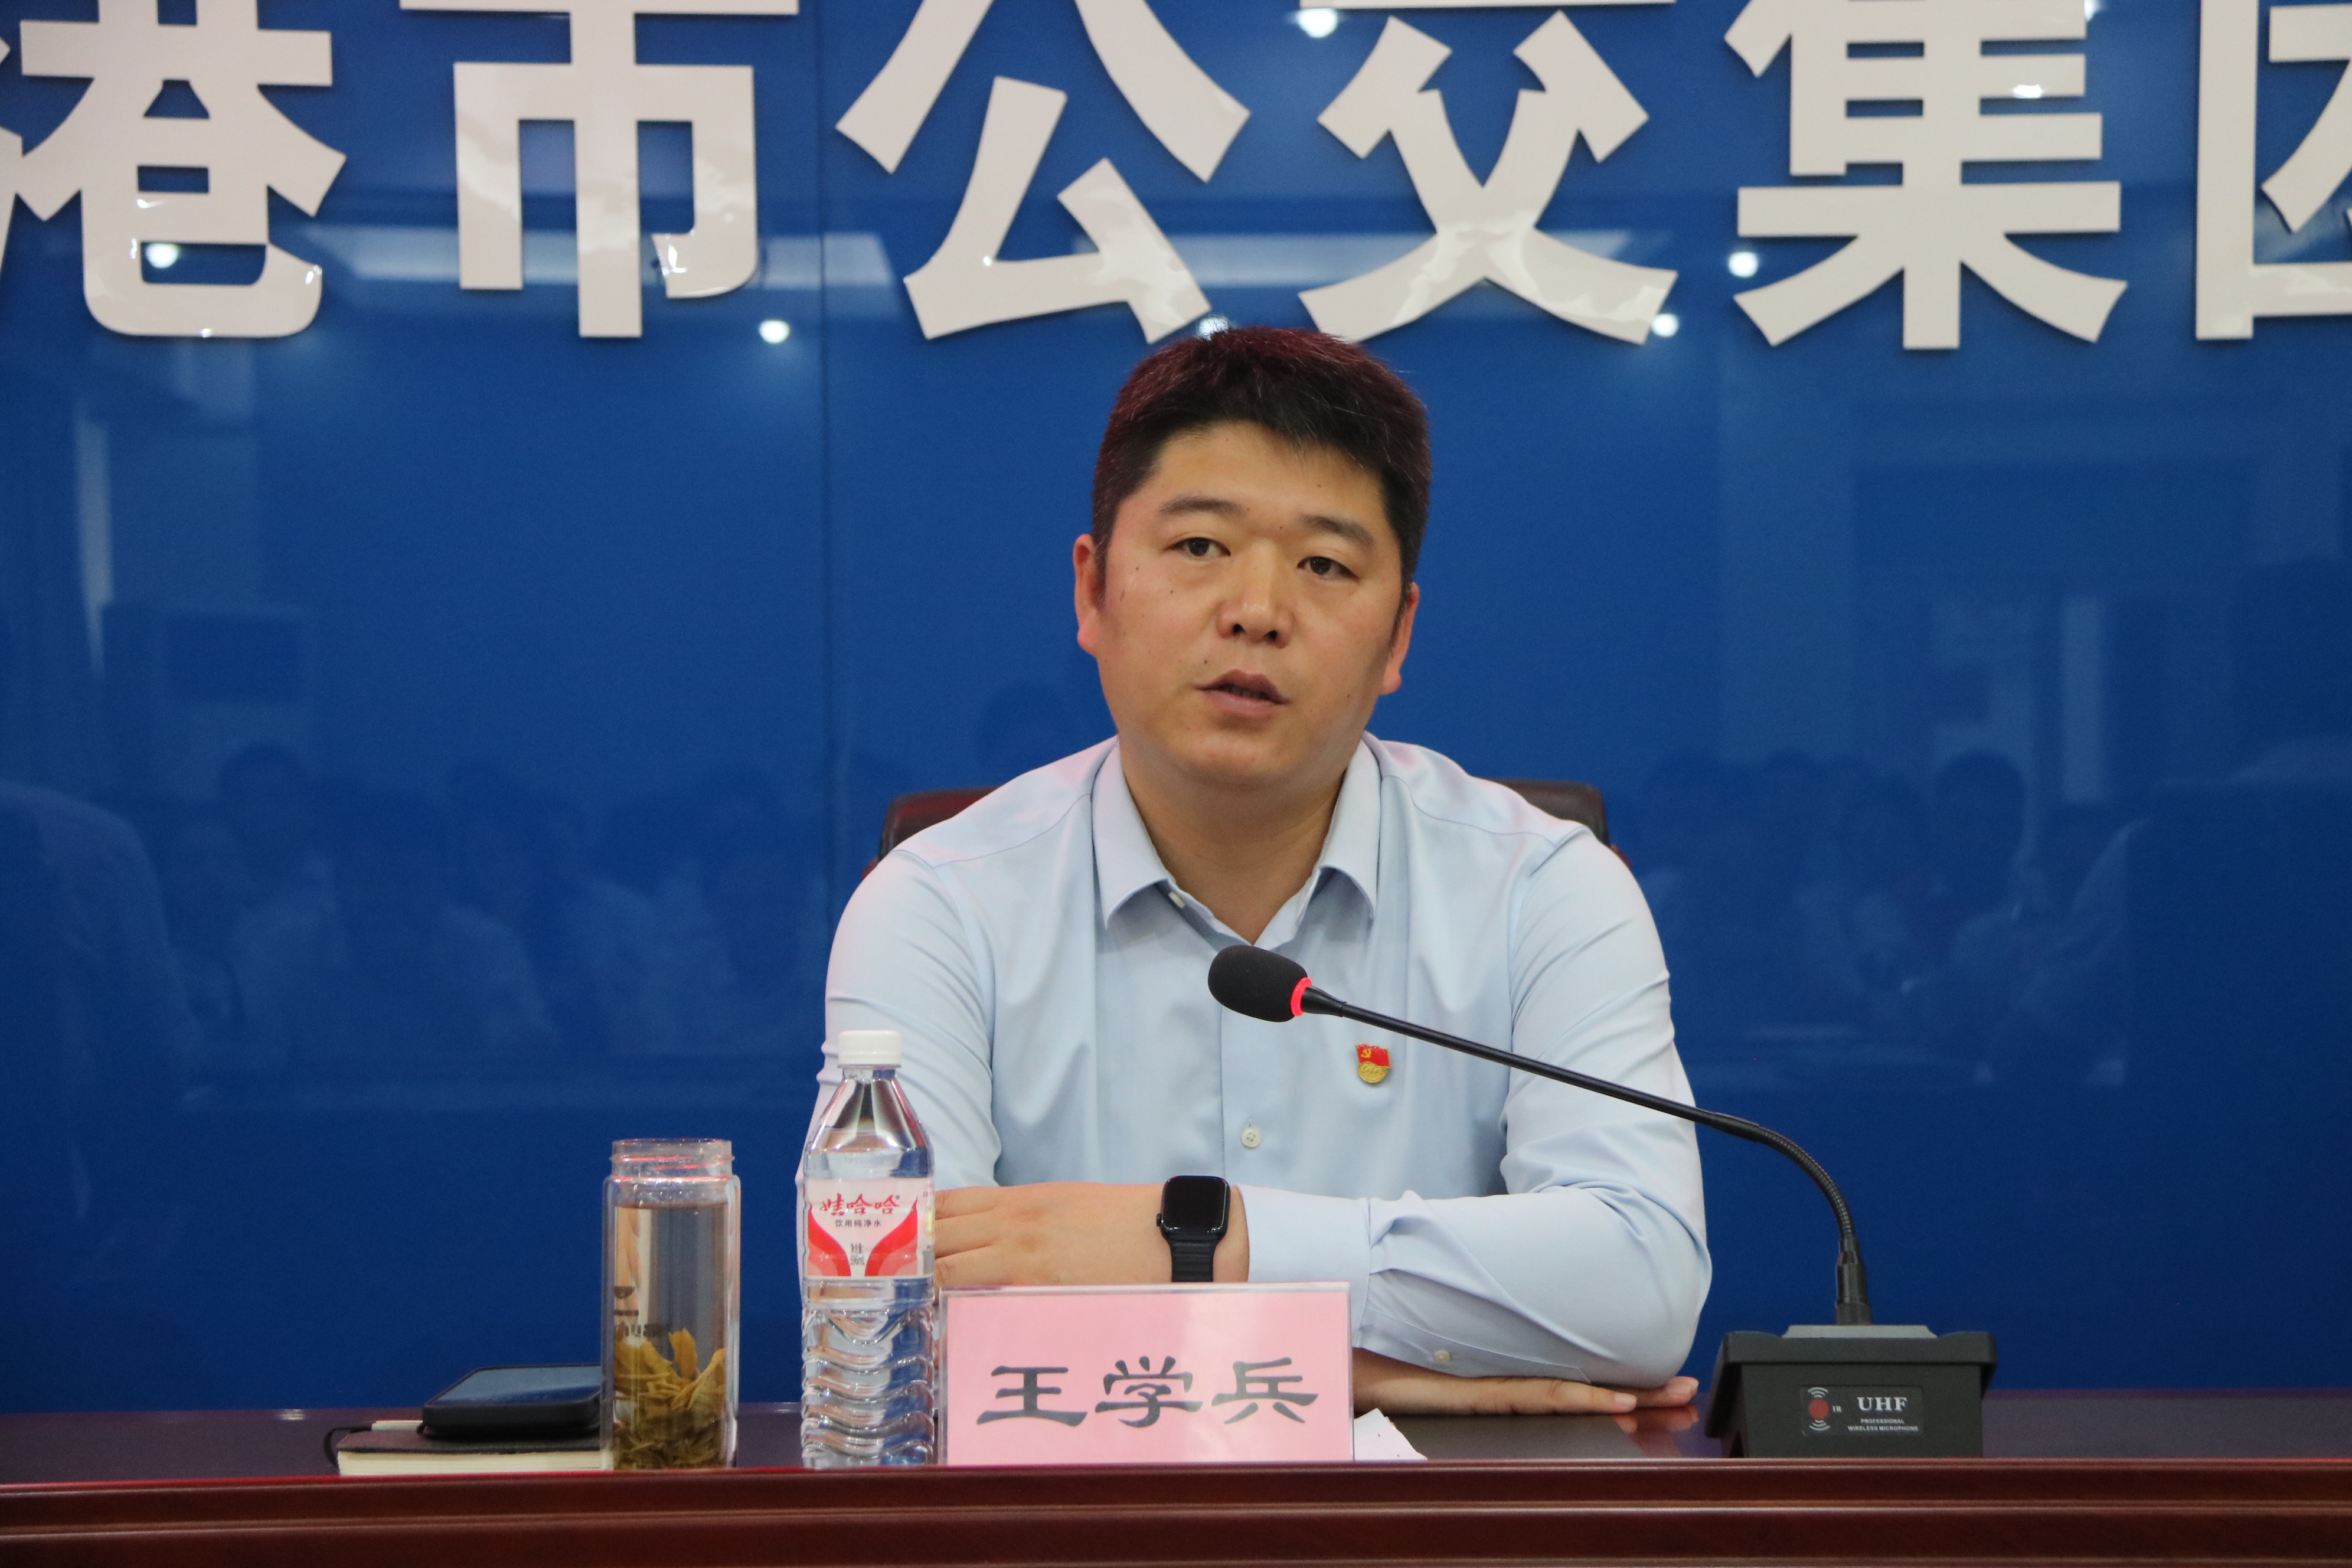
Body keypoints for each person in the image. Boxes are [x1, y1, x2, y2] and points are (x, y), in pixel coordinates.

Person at [822, 328, 1706, 1417]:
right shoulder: (938, 905)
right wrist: (1358, 1374)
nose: (1256, 610)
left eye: (1325, 565)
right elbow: (899, 1324)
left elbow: (1642, 1286)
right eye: (1199, 546)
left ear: (1398, 634)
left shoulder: (1545, 890)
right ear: (1093, 592)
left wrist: (1200, 1241)